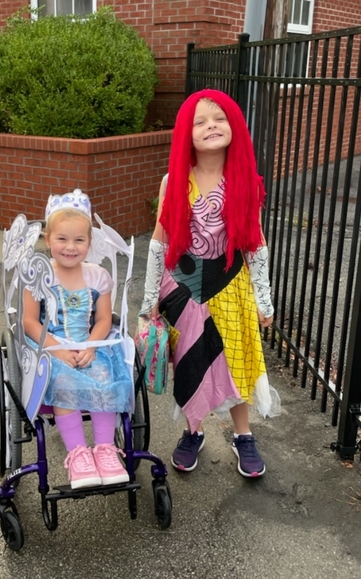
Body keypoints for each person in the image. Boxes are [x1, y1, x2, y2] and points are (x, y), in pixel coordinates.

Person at [140, 88, 281, 478]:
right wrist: (150, 298)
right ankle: (193, 430)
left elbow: (256, 242)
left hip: (231, 285)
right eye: (200, 121)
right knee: (191, 360)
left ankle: (243, 434)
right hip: (183, 288)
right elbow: (159, 240)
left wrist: (264, 298)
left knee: (236, 360)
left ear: (234, 126)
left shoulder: (245, 182)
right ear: (187, 133)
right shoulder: (173, 181)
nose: (211, 126)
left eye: (219, 118)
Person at [23, 191, 132, 490]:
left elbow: (104, 320)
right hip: (51, 347)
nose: (70, 247)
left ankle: (105, 449)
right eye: (62, 239)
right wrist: (56, 351)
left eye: (79, 240)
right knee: (62, 380)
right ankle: (78, 454)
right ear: (48, 239)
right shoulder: (38, 275)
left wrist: (91, 346)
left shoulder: (98, 276)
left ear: (89, 242)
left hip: (88, 344)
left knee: (105, 375)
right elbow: (30, 321)